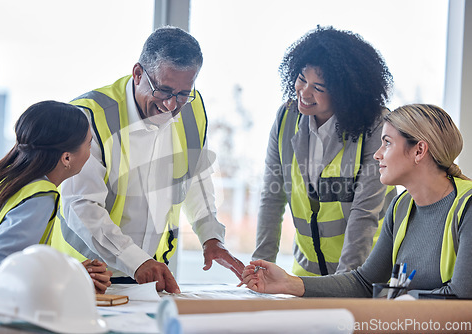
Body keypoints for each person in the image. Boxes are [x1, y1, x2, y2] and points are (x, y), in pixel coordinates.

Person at [50, 26, 244, 293]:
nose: (171, 106)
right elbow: (81, 206)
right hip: (85, 276)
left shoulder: (191, 110)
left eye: (183, 93)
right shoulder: (90, 117)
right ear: (138, 73)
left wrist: (211, 236)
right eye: (163, 91)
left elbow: (196, 179)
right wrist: (136, 260)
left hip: (149, 276)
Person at [243, 104, 472, 299]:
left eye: (388, 143)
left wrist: (405, 302)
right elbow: (364, 282)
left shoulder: (468, 206)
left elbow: (463, 295)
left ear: (419, 150)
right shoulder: (401, 207)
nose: (377, 154)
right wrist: (289, 283)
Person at [252, 26, 396, 276]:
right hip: (307, 272)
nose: (304, 92)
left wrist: (348, 282)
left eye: (319, 87)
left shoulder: (376, 125)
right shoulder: (286, 117)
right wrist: (260, 267)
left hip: (365, 272)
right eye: (301, 79)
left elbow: (365, 212)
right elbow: (272, 198)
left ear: (345, 93)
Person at [0, 101, 112, 302]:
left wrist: (71, 273)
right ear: (66, 158)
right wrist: (71, 281)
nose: (90, 153)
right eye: (89, 144)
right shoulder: (38, 197)